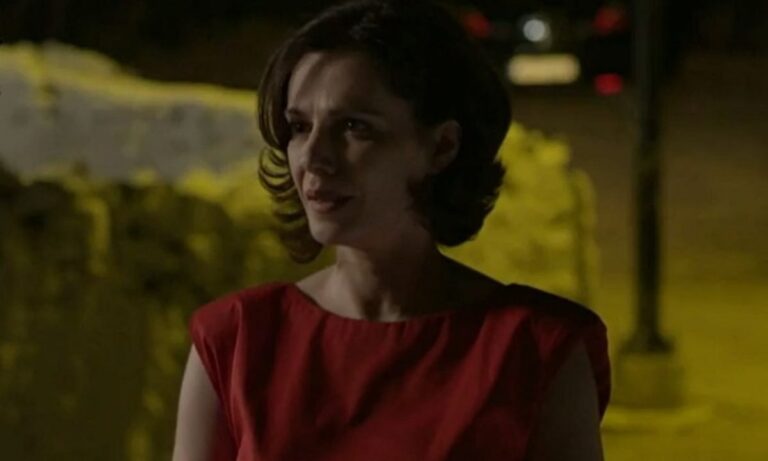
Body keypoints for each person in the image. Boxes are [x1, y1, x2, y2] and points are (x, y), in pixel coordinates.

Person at [172, 1, 611, 460]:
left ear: (441, 147)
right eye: (299, 126)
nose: (313, 157)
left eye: (353, 127)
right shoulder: (237, 342)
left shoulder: (534, 351)